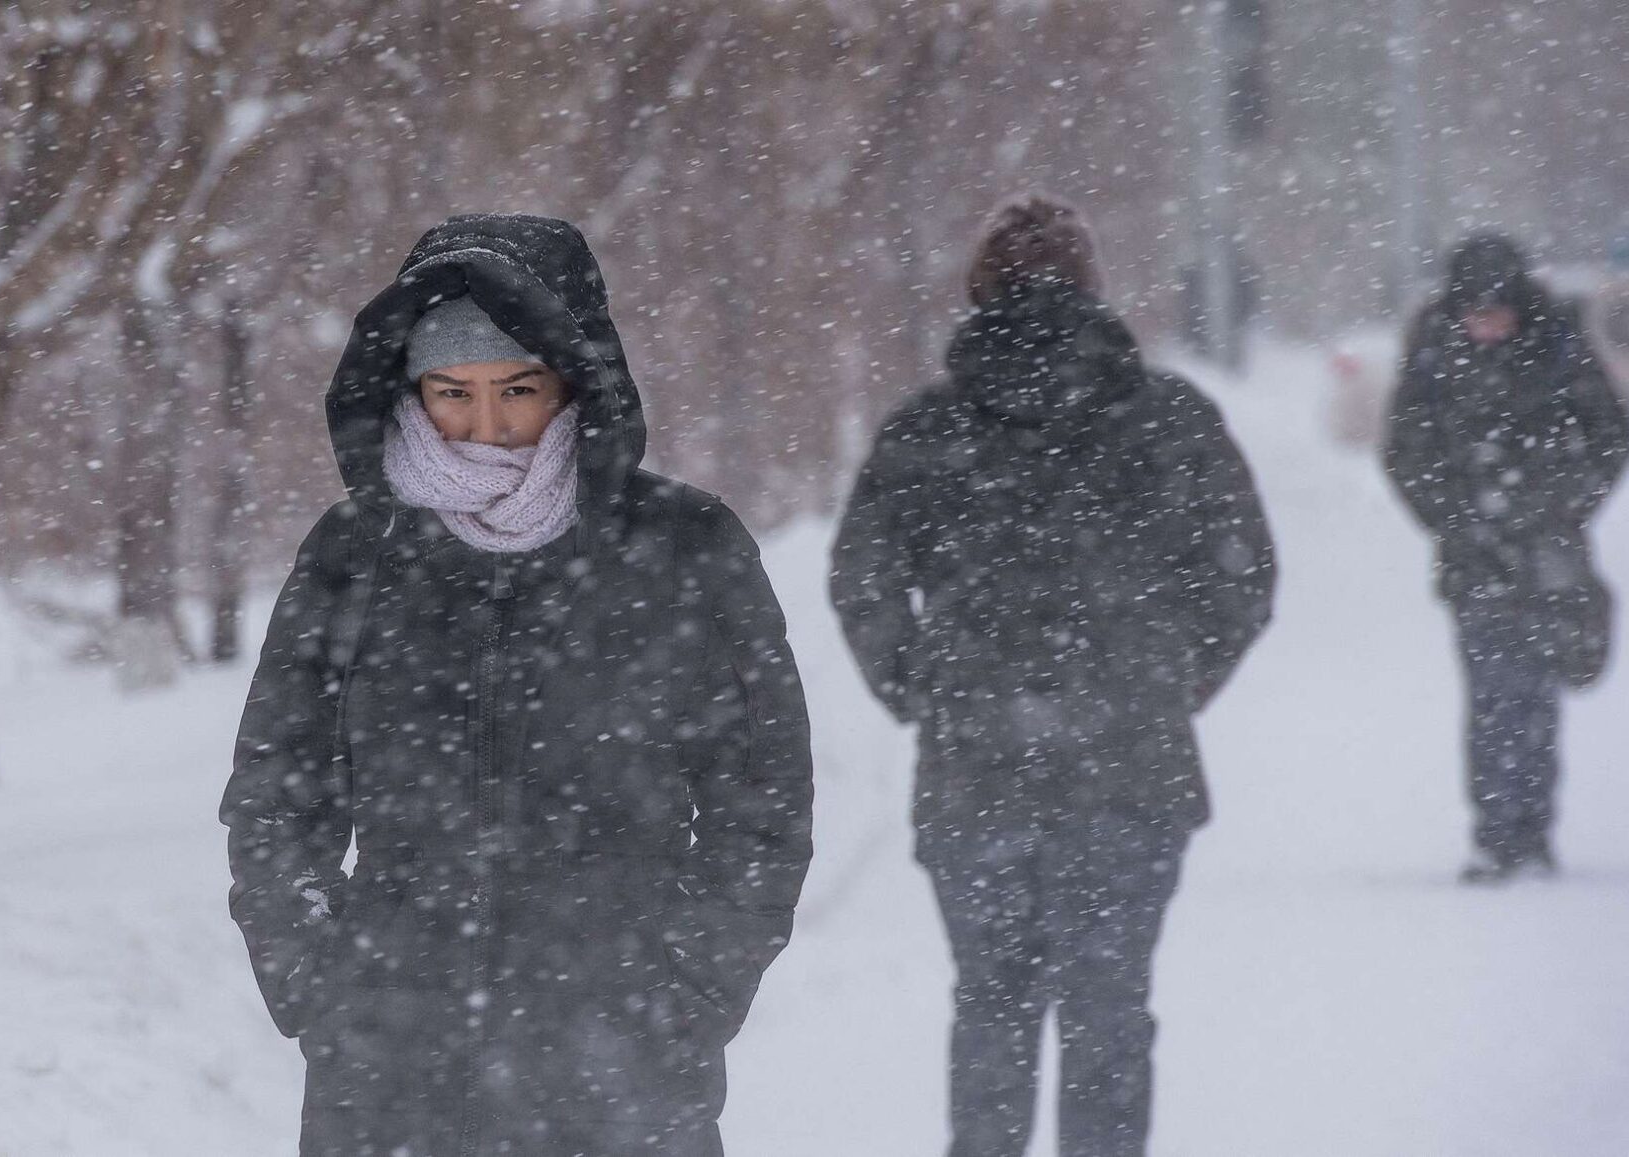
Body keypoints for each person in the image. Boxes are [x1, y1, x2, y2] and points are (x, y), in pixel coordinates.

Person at [221, 213, 814, 1157]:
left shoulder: (683, 548)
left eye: (518, 389)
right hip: (390, 1074)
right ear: (410, 388)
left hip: (620, 1069)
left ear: (574, 383)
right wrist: (320, 984)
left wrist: (689, 990)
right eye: (453, 391)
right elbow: (276, 791)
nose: (486, 426)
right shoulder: (356, 552)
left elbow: (762, 799)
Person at [830, 194, 1275, 1157]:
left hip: (975, 772)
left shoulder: (925, 432)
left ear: (976, 290)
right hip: (1132, 770)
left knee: (991, 1003)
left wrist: (921, 684)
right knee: (1108, 1007)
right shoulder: (1168, 418)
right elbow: (1242, 577)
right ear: (1092, 287)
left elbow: (861, 577)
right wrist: (1173, 679)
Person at [1384, 233, 1629, 885]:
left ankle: (1534, 830)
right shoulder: (1434, 349)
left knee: (1538, 693)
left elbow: (1611, 432)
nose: (1486, 325)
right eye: (1475, 313)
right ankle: (1497, 834)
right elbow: (1404, 448)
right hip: (1473, 557)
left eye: (1497, 312)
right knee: (1493, 693)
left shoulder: (1557, 341)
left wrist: (1564, 502)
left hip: (1549, 550)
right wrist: (1453, 515)